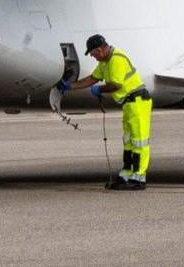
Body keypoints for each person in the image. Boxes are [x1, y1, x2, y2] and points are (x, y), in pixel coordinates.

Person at [57, 34, 152, 190]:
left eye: (94, 54)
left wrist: (99, 89)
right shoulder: (105, 62)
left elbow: (116, 85)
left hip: (138, 102)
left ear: (100, 49)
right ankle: (127, 173)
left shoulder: (116, 59)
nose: (94, 57)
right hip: (129, 104)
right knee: (129, 141)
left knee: (139, 141)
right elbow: (91, 79)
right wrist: (69, 86)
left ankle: (139, 178)